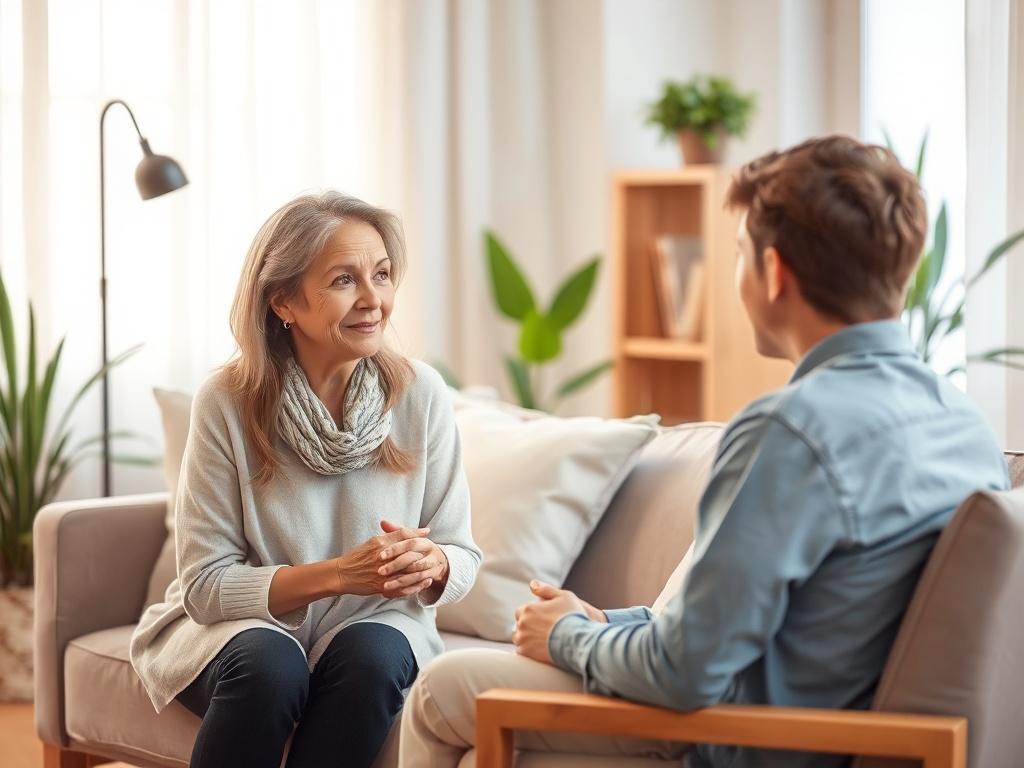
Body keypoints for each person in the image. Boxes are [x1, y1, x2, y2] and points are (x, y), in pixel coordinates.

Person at [398, 135, 1010, 768]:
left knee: (442, 688)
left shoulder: (790, 432)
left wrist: (568, 637)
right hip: (829, 727)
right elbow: (766, 620)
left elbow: (685, 671)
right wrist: (604, 624)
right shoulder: (963, 422)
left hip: (754, 738)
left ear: (774, 272)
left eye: (739, 253)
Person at [130, 191, 481, 768]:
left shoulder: (420, 393)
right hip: (243, 629)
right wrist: (340, 574)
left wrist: (435, 563)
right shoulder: (227, 401)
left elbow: (461, 553)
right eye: (344, 280)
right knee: (272, 668)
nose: (373, 300)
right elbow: (205, 585)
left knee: (371, 661)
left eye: (382, 275)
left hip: (377, 624)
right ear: (283, 302)